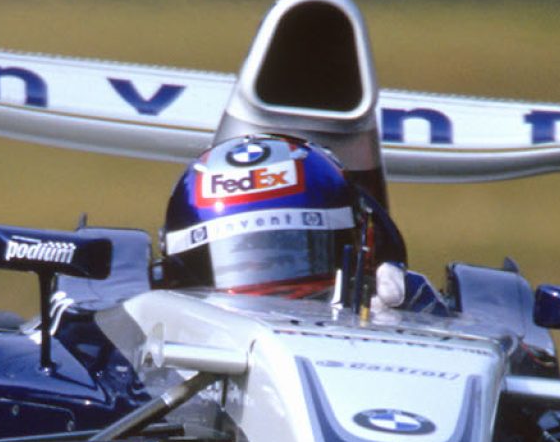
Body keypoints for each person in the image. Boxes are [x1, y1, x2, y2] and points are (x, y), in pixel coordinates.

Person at [156, 134, 447, 314]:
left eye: (288, 250)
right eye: (243, 261)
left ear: (365, 245)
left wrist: (420, 328)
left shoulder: (389, 308)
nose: (273, 302)